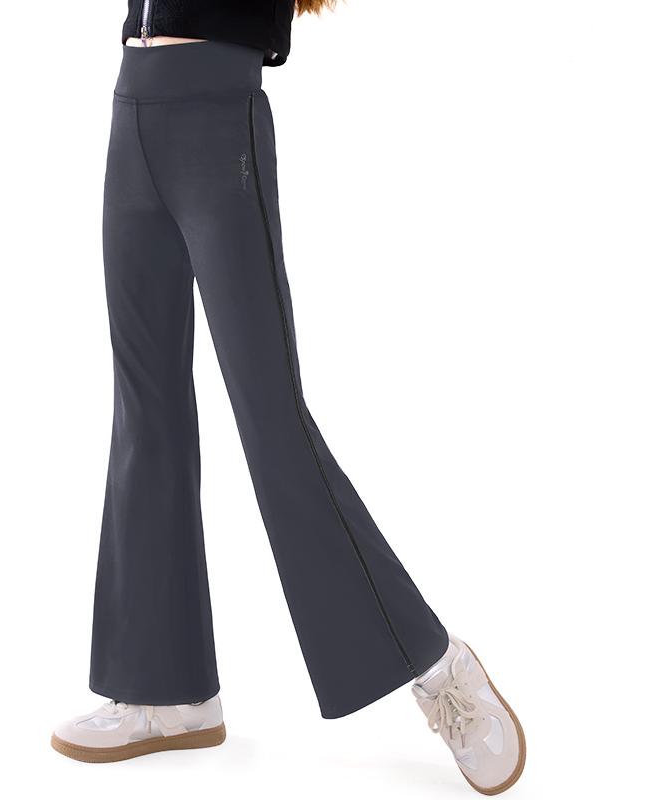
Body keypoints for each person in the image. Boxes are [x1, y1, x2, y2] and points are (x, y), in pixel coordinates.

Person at [50, 1, 526, 794]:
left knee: (271, 420)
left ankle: (437, 665)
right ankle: (166, 692)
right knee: (145, 411)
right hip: (131, 106)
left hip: (216, 114)